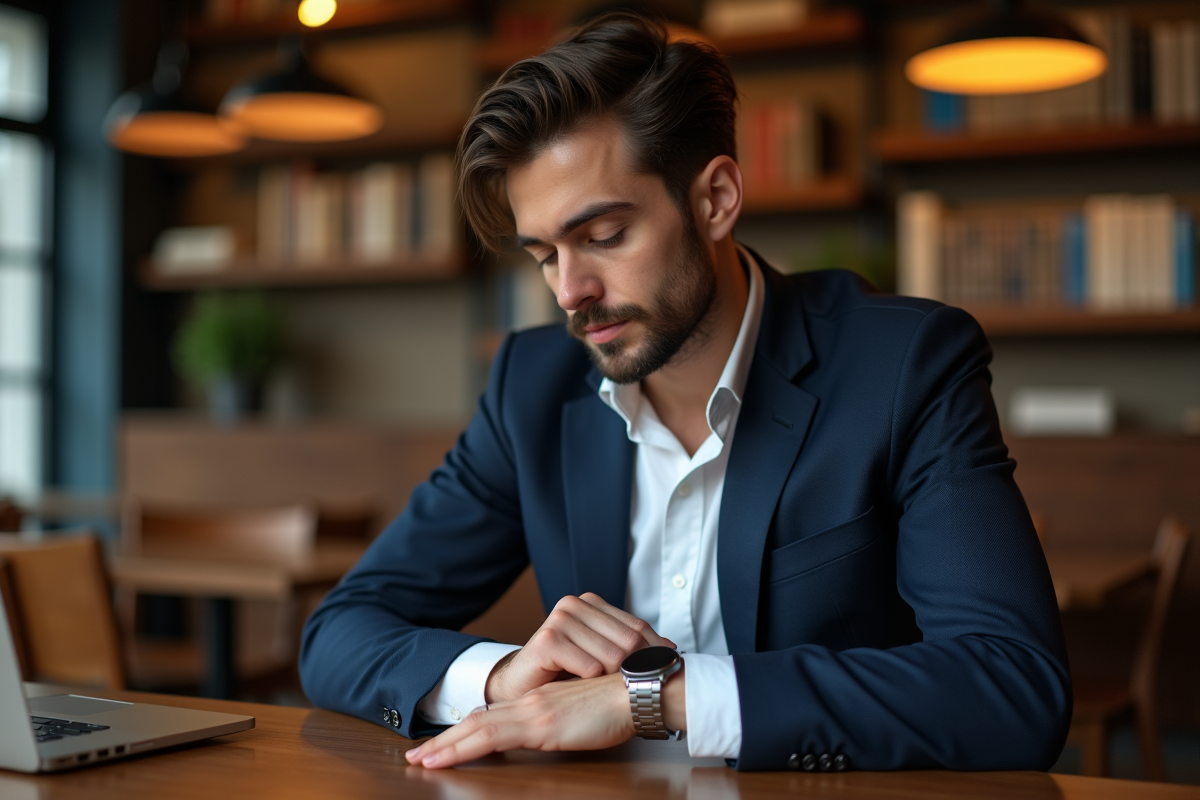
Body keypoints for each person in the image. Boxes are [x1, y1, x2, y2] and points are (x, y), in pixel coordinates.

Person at [299, 11, 1071, 772]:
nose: (569, 291)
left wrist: (655, 697)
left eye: (604, 237)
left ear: (716, 199)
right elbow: (341, 631)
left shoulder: (904, 365)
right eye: (545, 255)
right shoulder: (530, 387)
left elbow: (1012, 686)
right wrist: (504, 679)